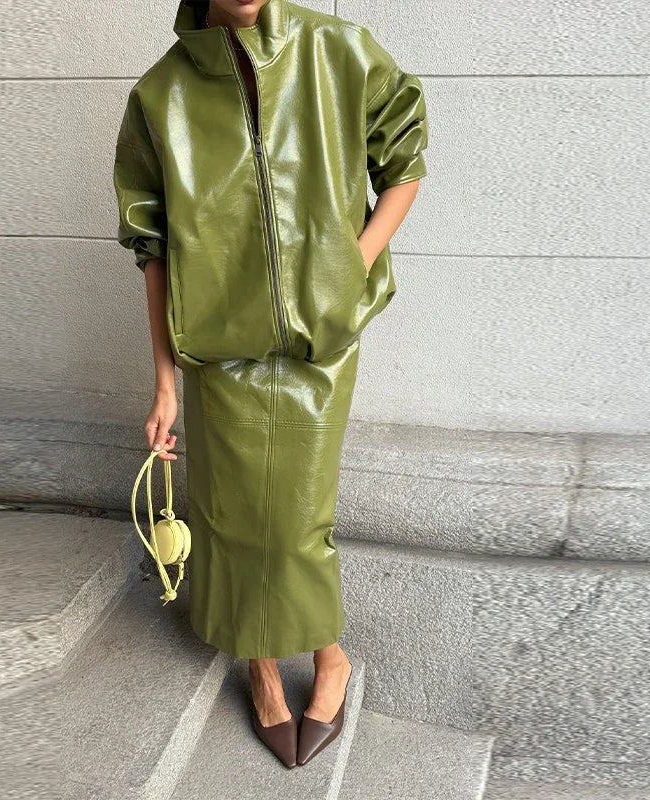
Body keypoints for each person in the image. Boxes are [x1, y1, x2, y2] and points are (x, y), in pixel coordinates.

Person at [113, 0, 428, 769]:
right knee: (231, 515)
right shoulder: (162, 94)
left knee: (298, 515)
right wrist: (163, 383)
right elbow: (152, 246)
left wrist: (346, 270)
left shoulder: (339, 51)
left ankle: (329, 657)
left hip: (320, 344)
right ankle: (261, 667)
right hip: (218, 352)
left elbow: (404, 163)